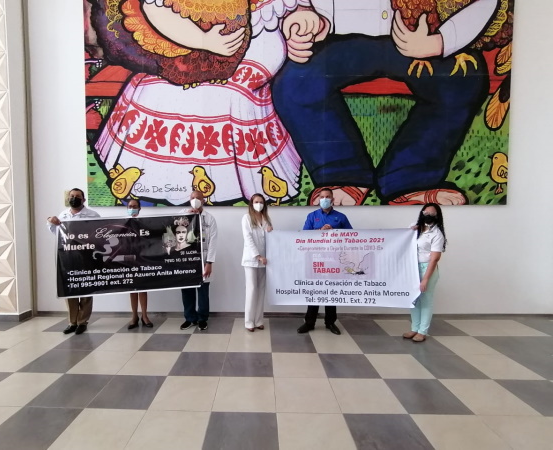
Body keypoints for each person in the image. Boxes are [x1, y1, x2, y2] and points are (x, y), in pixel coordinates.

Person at [92, 0, 317, 206]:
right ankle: (146, 185)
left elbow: (293, 8)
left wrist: (302, 21)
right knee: (160, 92)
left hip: (250, 53)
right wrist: (204, 41)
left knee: (232, 97)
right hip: (185, 50)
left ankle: (237, 185)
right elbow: (156, 11)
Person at [273, 0, 498, 205]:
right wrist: (303, 15)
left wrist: (442, 41)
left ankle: (411, 179)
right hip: (338, 37)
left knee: (462, 78)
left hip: (423, 37)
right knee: (295, 82)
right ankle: (340, 174)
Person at [298, 187, 351, 335]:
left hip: (334, 259)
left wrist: (335, 232)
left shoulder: (341, 217)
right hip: (316, 259)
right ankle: (309, 322)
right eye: (322, 197)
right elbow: (304, 236)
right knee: (315, 290)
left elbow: (352, 236)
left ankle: (330, 322)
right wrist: (320, 232)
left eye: (327, 197)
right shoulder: (312, 216)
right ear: (318, 199)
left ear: (333, 199)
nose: (325, 199)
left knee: (331, 291)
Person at [47, 188, 100, 335]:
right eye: (71, 196)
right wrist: (51, 222)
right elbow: (56, 233)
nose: (74, 198)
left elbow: (99, 235)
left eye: (77, 196)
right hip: (68, 258)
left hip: (87, 257)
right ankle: (72, 322)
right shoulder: (63, 215)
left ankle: (83, 322)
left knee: (86, 289)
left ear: (83, 199)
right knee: (70, 289)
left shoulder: (93, 215)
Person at [403, 203, 446, 342]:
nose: (428, 216)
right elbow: (403, 240)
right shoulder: (415, 227)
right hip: (413, 268)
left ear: (437, 216)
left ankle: (422, 331)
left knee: (426, 300)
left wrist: (426, 279)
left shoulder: (437, 234)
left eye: (432, 214)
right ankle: (414, 328)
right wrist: (411, 231)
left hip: (427, 268)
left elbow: (435, 258)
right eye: (426, 213)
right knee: (414, 299)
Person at [179, 191, 218, 331]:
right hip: (187, 259)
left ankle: (202, 318)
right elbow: (173, 229)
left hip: (203, 259)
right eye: (192, 198)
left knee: (203, 292)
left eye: (198, 198)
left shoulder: (210, 219)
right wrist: (188, 216)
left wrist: (209, 263)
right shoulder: (182, 214)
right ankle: (190, 318)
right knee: (187, 291)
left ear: (204, 200)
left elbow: (213, 242)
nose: (195, 200)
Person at [241, 193, 273, 331]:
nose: (258, 204)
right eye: (256, 201)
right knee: (252, 289)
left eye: (261, 202)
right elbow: (248, 238)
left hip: (265, 260)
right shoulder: (246, 218)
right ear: (251, 203)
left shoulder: (266, 219)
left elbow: (270, 239)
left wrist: (271, 231)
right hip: (251, 259)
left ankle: (259, 320)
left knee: (261, 290)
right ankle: (249, 321)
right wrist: (258, 256)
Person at [126, 199, 153, 329]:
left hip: (142, 259)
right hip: (128, 259)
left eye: (135, 206)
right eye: (130, 206)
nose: (132, 208)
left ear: (140, 208)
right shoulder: (122, 223)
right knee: (132, 289)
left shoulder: (144, 223)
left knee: (142, 288)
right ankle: (134, 316)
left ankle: (145, 316)